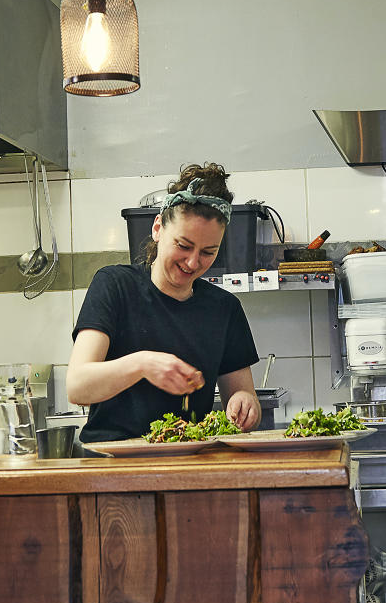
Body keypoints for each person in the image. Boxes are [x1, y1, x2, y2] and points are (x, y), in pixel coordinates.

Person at [67, 162, 261, 443]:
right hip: (112, 463)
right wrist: (143, 364)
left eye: (209, 252)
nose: (193, 262)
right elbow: (77, 387)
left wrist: (245, 405)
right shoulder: (114, 285)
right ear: (158, 228)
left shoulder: (224, 308)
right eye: (183, 245)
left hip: (187, 464)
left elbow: (242, 394)